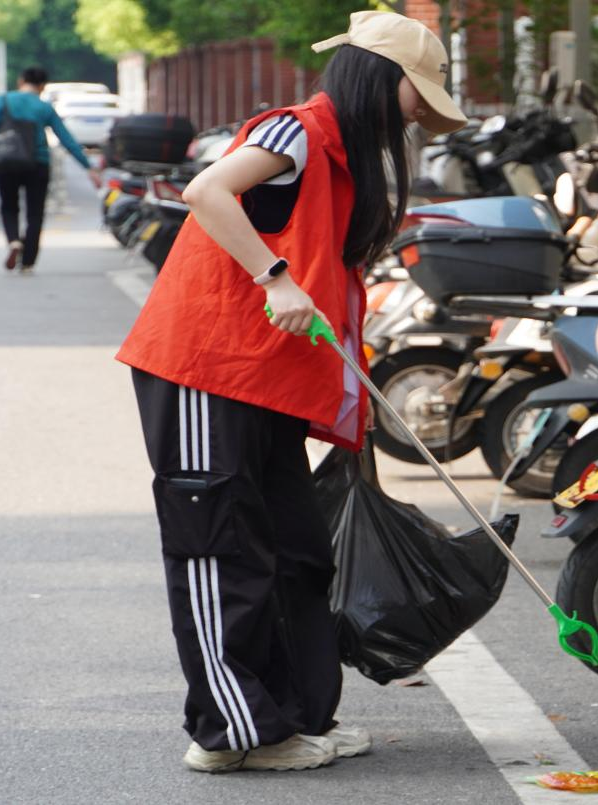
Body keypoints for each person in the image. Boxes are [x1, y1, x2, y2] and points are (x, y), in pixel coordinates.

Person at [115, 11, 466, 773]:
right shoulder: (295, 131)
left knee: (295, 549)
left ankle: (296, 716)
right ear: (382, 77)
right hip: (207, 364)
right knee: (221, 547)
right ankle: (232, 732)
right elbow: (208, 190)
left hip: (266, 374)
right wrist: (272, 276)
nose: (420, 111)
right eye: (419, 92)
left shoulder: (344, 155)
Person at [0, 66, 100, 274]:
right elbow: (66, 139)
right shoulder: (44, 108)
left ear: (21, 81)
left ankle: (14, 241)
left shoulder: (2, 101)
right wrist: (88, 167)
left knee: (9, 206)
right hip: (37, 163)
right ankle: (28, 261)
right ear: (42, 86)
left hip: (5, 161)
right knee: (35, 213)